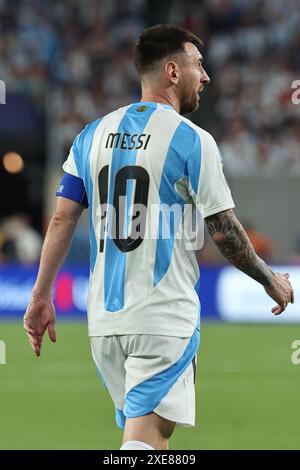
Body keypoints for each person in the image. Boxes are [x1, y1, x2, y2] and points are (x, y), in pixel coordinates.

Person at [23, 25, 294, 451]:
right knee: (145, 441)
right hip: (162, 317)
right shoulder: (192, 140)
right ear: (172, 71)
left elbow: (60, 221)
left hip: (104, 324)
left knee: (149, 437)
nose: (205, 77)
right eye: (198, 66)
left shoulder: (90, 135)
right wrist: (270, 279)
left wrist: (40, 296)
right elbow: (223, 228)